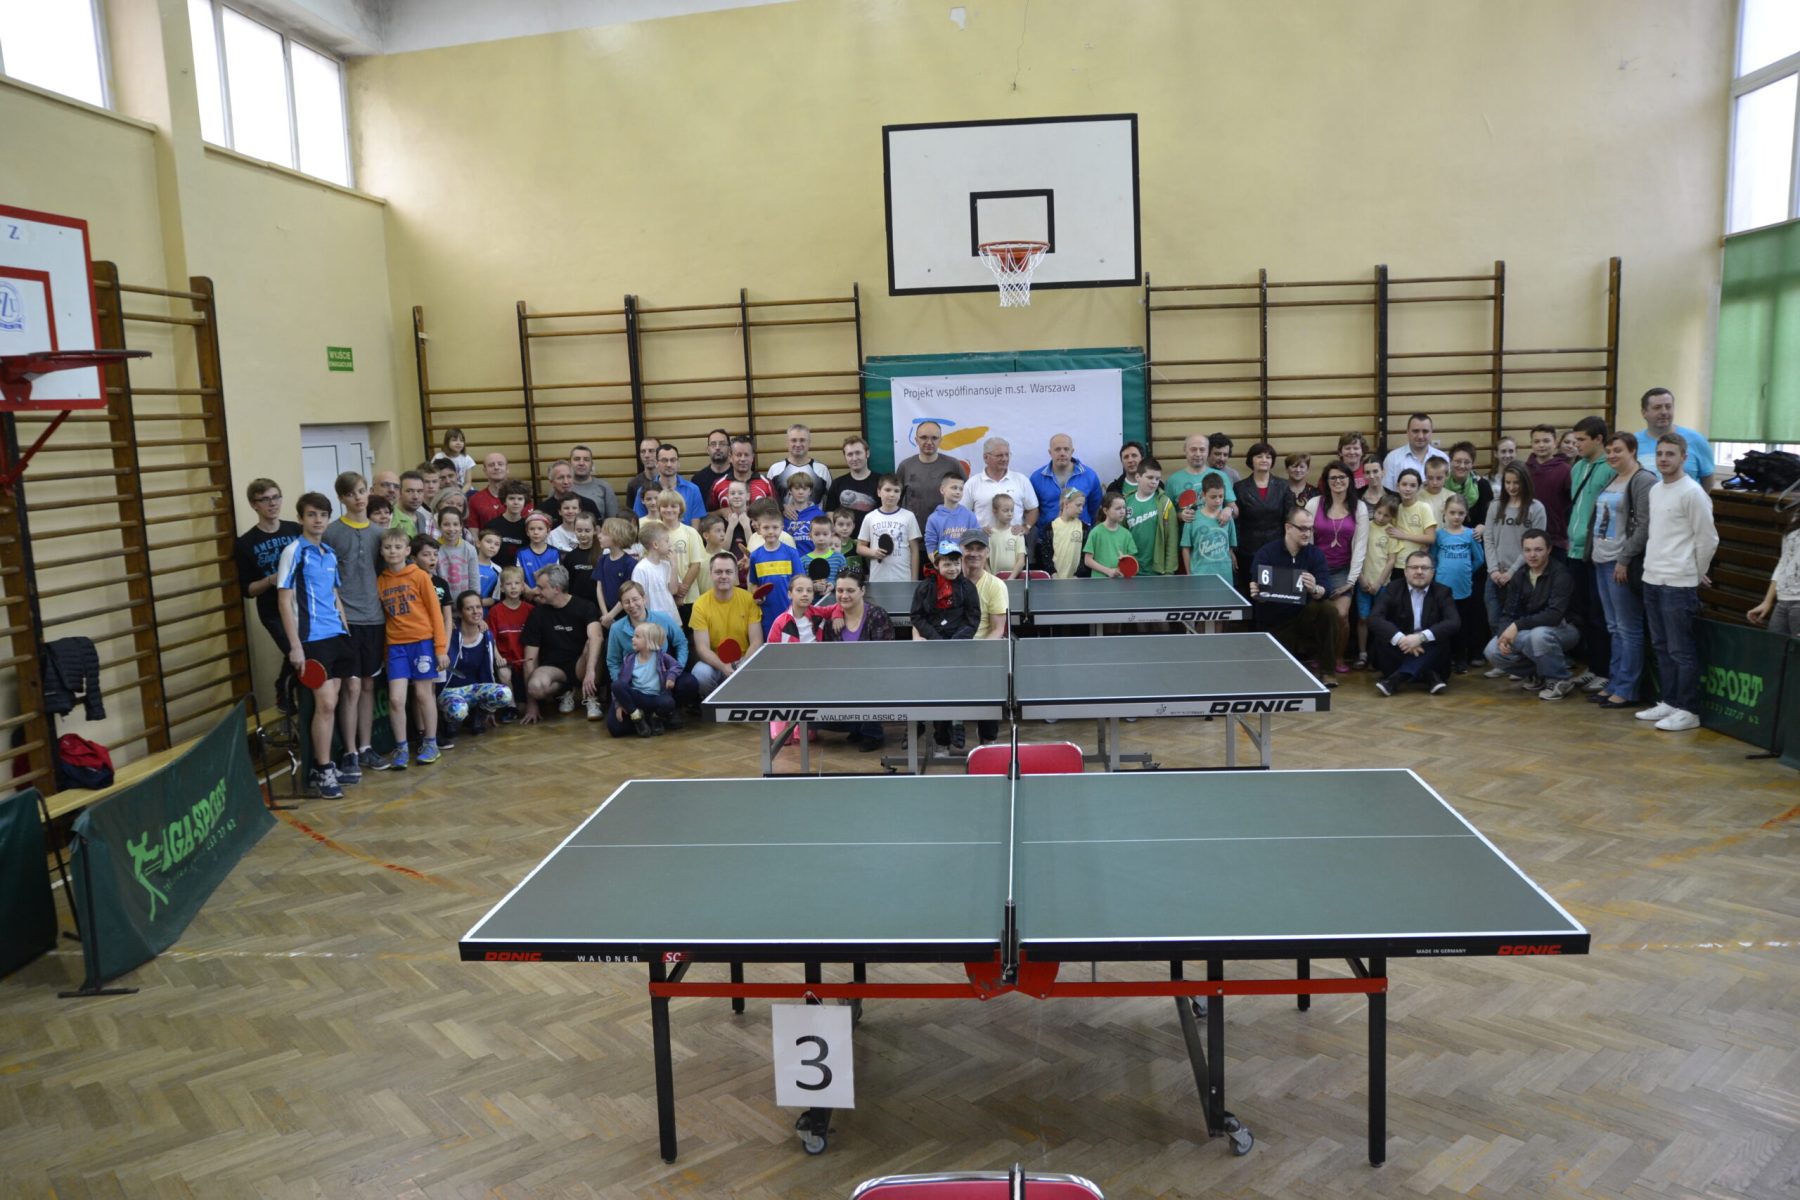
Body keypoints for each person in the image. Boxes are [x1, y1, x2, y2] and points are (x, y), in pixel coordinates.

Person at [1637, 433, 1720, 732]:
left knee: (1680, 649)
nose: (1663, 459)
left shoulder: (1693, 493)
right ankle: (1670, 701)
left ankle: (1688, 709)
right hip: (1652, 577)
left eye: (1670, 454)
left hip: (1678, 583)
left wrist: (1694, 574)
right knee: (1661, 645)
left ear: (1684, 457)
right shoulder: (1656, 490)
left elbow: (1708, 539)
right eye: (1660, 453)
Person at [277, 492, 352, 798]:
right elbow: (284, 601)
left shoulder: (329, 553)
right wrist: (295, 646)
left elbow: (334, 595)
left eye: (323, 515)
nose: (318, 520)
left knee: (333, 702)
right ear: (300, 518)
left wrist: (346, 629)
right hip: (311, 640)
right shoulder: (293, 552)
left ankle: (327, 763)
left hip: (336, 637)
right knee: (326, 704)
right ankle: (322, 769)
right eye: (311, 514)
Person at [321, 471, 385, 784]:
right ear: (342, 498)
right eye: (350, 494)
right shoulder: (332, 533)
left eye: (361, 491)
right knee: (352, 686)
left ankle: (366, 746)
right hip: (346, 620)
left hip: (375, 618)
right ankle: (349, 752)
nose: (358, 498)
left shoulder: (379, 533)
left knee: (369, 685)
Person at [1588, 432, 1656, 710]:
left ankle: (1628, 688)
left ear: (1633, 451)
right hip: (1602, 560)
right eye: (1609, 451)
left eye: (1618, 450)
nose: (1612, 455)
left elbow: (1645, 525)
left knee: (1629, 629)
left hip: (1621, 563)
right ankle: (1615, 682)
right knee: (1614, 627)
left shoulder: (1643, 480)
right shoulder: (1613, 479)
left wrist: (1625, 559)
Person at [374, 528, 447, 769]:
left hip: (422, 643)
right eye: (388, 547)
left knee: (424, 695)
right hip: (396, 647)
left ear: (407, 551)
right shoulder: (381, 581)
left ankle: (431, 743)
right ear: (381, 551)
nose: (392, 551)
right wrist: (385, 652)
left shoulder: (420, 576)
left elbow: (436, 614)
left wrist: (440, 648)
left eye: (398, 547)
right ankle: (401, 747)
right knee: (396, 699)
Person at [1484, 530, 1582, 699]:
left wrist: (1517, 626)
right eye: (1527, 550)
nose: (1532, 555)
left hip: (1564, 629)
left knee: (1538, 636)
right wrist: (1503, 634)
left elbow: (1554, 615)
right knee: (1492, 650)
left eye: (1538, 549)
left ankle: (1559, 679)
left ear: (1549, 550)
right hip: (1531, 629)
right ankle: (1539, 674)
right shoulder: (1520, 575)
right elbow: (1508, 612)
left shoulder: (1561, 574)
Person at [1249, 507, 1341, 683]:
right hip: (1276, 620)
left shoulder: (1315, 554)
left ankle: (1328, 671)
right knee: (1279, 678)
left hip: (1304, 616)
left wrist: (1315, 588)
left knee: (1328, 609)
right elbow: (1257, 587)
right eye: (1302, 528)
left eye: (1310, 529)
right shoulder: (1266, 552)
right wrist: (1256, 593)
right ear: (1288, 528)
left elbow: (1326, 590)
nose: (1307, 534)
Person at [235, 478, 302, 712]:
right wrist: (271, 579)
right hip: (272, 611)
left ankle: (291, 690)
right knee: (295, 651)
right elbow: (247, 590)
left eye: (275, 497)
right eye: (265, 500)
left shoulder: (295, 530)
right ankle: (283, 691)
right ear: (254, 505)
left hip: (299, 605)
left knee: (306, 650)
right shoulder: (246, 543)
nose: (272, 504)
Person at [911, 541, 981, 749]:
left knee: (957, 688)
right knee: (937, 690)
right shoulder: (925, 587)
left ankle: (957, 723)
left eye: (956, 563)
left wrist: (956, 642)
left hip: (959, 647)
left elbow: (973, 619)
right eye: (947, 564)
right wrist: (936, 640)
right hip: (934, 647)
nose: (953, 568)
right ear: (937, 564)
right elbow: (917, 616)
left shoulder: (968, 588)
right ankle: (940, 736)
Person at [815, 570, 895, 751]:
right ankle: (856, 725)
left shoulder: (877, 615)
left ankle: (873, 732)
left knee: (868, 681)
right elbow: (829, 657)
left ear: (862, 591)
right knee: (812, 719)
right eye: (840, 590)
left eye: (850, 590)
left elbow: (883, 657)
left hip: (873, 675)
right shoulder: (831, 622)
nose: (844, 595)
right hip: (844, 677)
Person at [1565, 415, 1617, 683]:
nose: (1577, 445)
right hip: (1574, 551)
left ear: (1598, 439)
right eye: (1575, 440)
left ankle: (1603, 671)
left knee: (1600, 614)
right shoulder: (1576, 467)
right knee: (1582, 613)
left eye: (1582, 440)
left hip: (1596, 553)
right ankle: (1591, 666)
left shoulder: (1609, 468)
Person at [1368, 550, 1461, 696]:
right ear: (1405, 571)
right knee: (1385, 634)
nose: (1419, 571)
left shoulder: (1442, 591)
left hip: (1429, 648)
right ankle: (1428, 675)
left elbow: (1453, 622)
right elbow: (1375, 618)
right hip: (1401, 649)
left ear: (1432, 572)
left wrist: (1420, 638)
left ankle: (1396, 679)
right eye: (1414, 567)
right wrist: (1402, 639)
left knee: (1440, 637)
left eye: (1425, 568)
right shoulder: (1393, 588)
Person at [1303, 461, 1366, 673]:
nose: (1338, 481)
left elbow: (1360, 546)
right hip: (1318, 570)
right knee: (1318, 614)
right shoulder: (1314, 504)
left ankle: (1338, 657)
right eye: (1333, 478)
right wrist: (1308, 571)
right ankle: (1321, 655)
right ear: (1326, 481)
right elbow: (1306, 539)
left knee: (1341, 615)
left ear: (1349, 480)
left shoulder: (1359, 507)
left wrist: (1351, 581)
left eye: (1342, 477)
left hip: (1343, 570)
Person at [518, 564, 602, 723]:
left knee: (593, 644)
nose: (536, 591)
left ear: (556, 589)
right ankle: (567, 690)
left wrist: (590, 671)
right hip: (554, 670)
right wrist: (532, 704)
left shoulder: (585, 606)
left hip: (580, 665)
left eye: (541, 588)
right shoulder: (537, 613)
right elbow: (529, 660)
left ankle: (591, 696)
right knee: (535, 687)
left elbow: (596, 637)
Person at [1481, 463, 1546, 649]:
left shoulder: (1536, 508)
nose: (1511, 487)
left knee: (1517, 621)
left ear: (1525, 482)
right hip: (1495, 574)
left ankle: (1519, 659)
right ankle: (1500, 657)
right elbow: (1489, 539)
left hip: (1522, 574)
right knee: (1494, 619)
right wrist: (1493, 570)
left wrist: (1511, 572)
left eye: (1516, 482)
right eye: (1508, 482)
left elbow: (1535, 546)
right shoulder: (1495, 506)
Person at [685, 552, 764, 702]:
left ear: (736, 575)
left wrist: (742, 665)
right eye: (718, 572)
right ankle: (716, 704)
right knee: (700, 673)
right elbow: (702, 648)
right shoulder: (700, 604)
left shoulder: (749, 600)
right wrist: (723, 667)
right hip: (716, 663)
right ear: (710, 574)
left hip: (744, 661)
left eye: (728, 572)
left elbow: (756, 641)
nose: (723, 576)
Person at [440, 591, 514, 738]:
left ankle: (478, 716)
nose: (475, 612)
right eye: (469, 608)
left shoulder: (486, 635)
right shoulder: (450, 633)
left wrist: (490, 709)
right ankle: (449, 721)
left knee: (505, 694)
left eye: (478, 607)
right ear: (460, 612)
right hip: (449, 691)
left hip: (474, 689)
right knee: (458, 710)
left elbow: (488, 671)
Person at [1430, 494, 1486, 671]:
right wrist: (1438, 574)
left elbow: (1479, 559)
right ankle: (1445, 658)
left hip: (1463, 588)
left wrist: (1467, 571)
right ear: (1445, 513)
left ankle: (1461, 659)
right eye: (1452, 512)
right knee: (1443, 624)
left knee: (1461, 624)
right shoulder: (1439, 535)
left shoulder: (1470, 534)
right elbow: (1433, 558)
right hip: (1442, 588)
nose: (1456, 517)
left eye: (1460, 513)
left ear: (1466, 514)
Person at [961, 533, 1008, 745]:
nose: (974, 554)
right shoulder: (949, 581)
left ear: (987, 553)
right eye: (969, 548)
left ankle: (988, 740)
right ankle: (943, 740)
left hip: (983, 649)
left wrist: (977, 651)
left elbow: (998, 629)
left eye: (979, 549)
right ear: (961, 550)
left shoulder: (996, 586)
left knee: (988, 683)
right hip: (952, 649)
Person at [1633, 387, 1717, 489]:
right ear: (1644, 413)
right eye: (1657, 407)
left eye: (1668, 407)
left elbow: (1708, 480)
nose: (1664, 412)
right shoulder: (1632, 443)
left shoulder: (1696, 440)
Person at [610, 622, 682, 737]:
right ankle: (636, 716)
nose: (632, 639)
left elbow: (676, 666)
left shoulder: (662, 657)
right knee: (616, 685)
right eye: (634, 636)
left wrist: (671, 677)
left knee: (669, 702)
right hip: (637, 697)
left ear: (650, 641)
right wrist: (619, 704)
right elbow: (621, 681)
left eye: (637, 637)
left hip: (655, 697)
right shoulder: (629, 659)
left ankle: (656, 718)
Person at [1354, 496, 1402, 669]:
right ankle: (1362, 654)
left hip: (1382, 584)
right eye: (1379, 512)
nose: (1381, 518)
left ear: (1393, 517)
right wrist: (1361, 578)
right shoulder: (1364, 527)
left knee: (1380, 620)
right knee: (1363, 618)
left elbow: (1391, 560)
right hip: (1363, 582)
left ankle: (1376, 655)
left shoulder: (1391, 532)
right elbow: (1356, 553)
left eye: (1386, 515)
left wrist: (1379, 583)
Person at [1232, 442, 1292, 576]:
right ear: (1251, 460)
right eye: (1259, 456)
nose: (1264, 460)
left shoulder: (1284, 486)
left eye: (1268, 457)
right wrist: (1233, 549)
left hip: (1277, 548)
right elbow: (1236, 522)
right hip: (1247, 551)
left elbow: (1289, 519)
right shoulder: (1239, 487)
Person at [897, 420, 968, 533]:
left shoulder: (953, 465)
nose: (929, 442)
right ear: (916, 440)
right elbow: (896, 500)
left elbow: (967, 497)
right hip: (913, 534)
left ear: (940, 440)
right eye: (924, 437)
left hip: (946, 533)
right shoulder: (905, 466)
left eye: (934, 438)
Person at [1028, 433, 1105, 534]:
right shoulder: (1037, 478)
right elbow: (1033, 509)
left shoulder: (1089, 476)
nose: (1062, 453)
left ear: (1072, 451)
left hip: (1080, 537)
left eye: (1066, 449)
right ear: (1050, 452)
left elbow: (1095, 509)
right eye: (1057, 449)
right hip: (1047, 538)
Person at [748, 507, 806, 634]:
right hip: (766, 614)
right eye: (766, 527)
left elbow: (801, 582)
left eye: (775, 527)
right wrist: (757, 595)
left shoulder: (792, 553)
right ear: (759, 529)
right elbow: (754, 584)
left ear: (782, 528)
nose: (770, 531)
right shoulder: (755, 556)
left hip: (790, 611)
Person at [963, 436, 1038, 532]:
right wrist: (977, 531)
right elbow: (962, 513)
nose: (1005, 459)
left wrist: (1026, 527)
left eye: (1007, 455)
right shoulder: (972, 483)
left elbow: (1033, 509)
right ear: (986, 457)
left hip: (1014, 539)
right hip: (983, 540)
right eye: (999, 455)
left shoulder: (1021, 480)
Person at [857, 474, 921, 582]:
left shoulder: (909, 516)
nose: (892, 494)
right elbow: (860, 547)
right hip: (878, 579)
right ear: (879, 492)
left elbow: (914, 551)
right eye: (887, 490)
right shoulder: (870, 517)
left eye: (896, 491)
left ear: (900, 494)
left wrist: (914, 580)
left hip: (903, 578)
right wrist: (873, 553)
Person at [1747, 511, 1800, 637]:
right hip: (1783, 600)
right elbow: (1784, 562)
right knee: (1773, 645)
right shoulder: (1796, 517)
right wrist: (1767, 601)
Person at [1123, 458, 1180, 575]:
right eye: (1150, 477)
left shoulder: (1165, 503)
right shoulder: (1125, 502)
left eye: (1157, 479)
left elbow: (1172, 539)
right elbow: (1119, 535)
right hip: (1132, 569)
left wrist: (1169, 571)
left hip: (1157, 571)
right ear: (1138, 477)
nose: (1154, 482)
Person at [1524, 424, 1573, 556]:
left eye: (1546, 441)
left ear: (1555, 443)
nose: (1541, 445)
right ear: (1531, 444)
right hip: (1527, 537)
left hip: (1556, 539)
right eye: (1537, 441)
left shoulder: (1566, 470)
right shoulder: (1524, 470)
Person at [1182, 476, 1238, 583]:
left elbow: (1230, 547)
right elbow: (1186, 548)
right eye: (1213, 497)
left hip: (1225, 575)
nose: (1218, 500)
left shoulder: (1228, 518)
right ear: (1203, 495)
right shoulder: (1192, 518)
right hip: (1200, 574)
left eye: (1221, 496)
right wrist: (1189, 573)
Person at [634, 443, 706, 522]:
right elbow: (640, 522)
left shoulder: (693, 490)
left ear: (678, 463)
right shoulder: (644, 491)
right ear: (656, 463)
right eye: (664, 460)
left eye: (673, 460)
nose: (669, 464)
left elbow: (695, 525)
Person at [1380, 412, 1450, 490]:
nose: (1420, 436)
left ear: (1431, 432)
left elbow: (1447, 489)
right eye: (1415, 431)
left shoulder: (1443, 457)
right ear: (1407, 432)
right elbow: (1387, 491)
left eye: (1425, 431)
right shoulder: (1392, 458)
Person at [631, 519, 681, 621]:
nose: (670, 544)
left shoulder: (667, 565)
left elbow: (674, 590)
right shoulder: (641, 569)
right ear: (655, 545)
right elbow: (638, 597)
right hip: (652, 621)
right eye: (667, 541)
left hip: (672, 618)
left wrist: (674, 565)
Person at [709, 435, 776, 510]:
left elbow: (776, 513)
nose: (743, 459)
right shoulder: (718, 485)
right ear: (730, 457)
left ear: (752, 457)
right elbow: (708, 514)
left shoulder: (766, 484)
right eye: (739, 455)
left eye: (746, 455)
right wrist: (721, 512)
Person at [764, 422, 834, 495]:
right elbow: (768, 499)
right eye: (793, 440)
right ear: (787, 443)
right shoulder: (775, 470)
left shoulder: (822, 470)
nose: (798, 444)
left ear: (809, 443)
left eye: (802, 440)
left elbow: (832, 498)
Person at [1039, 486, 1091, 579]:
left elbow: (1085, 556)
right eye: (1078, 505)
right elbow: (1046, 554)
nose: (1081, 509)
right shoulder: (1051, 527)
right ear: (1066, 504)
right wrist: (1053, 574)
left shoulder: (1084, 528)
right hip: (1055, 579)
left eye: (1083, 506)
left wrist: (1077, 575)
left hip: (1075, 580)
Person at [825, 434, 880, 519]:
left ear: (867, 453)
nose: (854, 458)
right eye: (850, 454)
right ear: (845, 457)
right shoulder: (837, 484)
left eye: (858, 453)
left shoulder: (881, 482)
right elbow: (830, 512)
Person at [1083, 493, 1137, 578]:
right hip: (1099, 582)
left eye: (1124, 507)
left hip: (1120, 582)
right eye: (1118, 508)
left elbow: (1132, 559)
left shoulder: (1126, 534)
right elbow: (1088, 560)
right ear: (1105, 511)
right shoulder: (1095, 532)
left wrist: (1126, 560)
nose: (1122, 511)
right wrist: (1108, 571)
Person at [1443, 442, 1494, 534]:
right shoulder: (1442, 484)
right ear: (1450, 462)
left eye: (1467, 462)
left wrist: (1482, 527)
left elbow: (1488, 518)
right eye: (1458, 461)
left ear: (1472, 464)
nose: (1462, 466)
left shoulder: (1483, 485)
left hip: (1474, 537)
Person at [924, 472, 981, 551]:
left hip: (967, 559)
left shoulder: (970, 516)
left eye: (961, 489)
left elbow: (977, 541)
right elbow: (931, 548)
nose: (958, 492)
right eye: (954, 488)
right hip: (943, 559)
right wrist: (940, 559)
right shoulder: (933, 519)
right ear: (942, 490)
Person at [467, 453, 523, 530]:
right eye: (491, 465)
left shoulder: (521, 497)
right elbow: (473, 530)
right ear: (485, 470)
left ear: (507, 469)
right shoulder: (475, 499)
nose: (496, 467)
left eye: (500, 464)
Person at [434, 505, 479, 599]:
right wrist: (443, 603)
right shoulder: (433, 549)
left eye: (455, 524)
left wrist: (474, 599)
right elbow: (434, 580)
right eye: (446, 524)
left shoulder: (470, 549)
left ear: (461, 526)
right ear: (439, 526)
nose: (451, 529)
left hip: (465, 603)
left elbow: (474, 580)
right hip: (443, 602)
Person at [562, 445, 620, 518]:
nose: (581, 463)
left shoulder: (605, 487)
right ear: (569, 463)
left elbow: (613, 520)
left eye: (586, 460)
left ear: (591, 464)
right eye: (577, 459)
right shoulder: (561, 486)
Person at [484, 480, 533, 564]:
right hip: (497, 570)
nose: (516, 502)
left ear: (525, 501)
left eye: (520, 499)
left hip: (521, 570)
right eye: (511, 498)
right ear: (504, 501)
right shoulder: (492, 525)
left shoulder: (529, 526)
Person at [1391, 468, 1438, 554]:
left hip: (1417, 559)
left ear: (1418, 488)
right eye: (1404, 484)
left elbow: (1431, 538)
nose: (1407, 489)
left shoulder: (1424, 507)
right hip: (1398, 559)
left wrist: (1404, 536)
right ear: (1398, 486)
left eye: (1412, 486)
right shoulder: (1395, 508)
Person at [540, 460, 603, 524]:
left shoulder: (589, 505)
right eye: (560, 478)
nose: (566, 482)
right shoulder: (543, 510)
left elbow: (598, 527)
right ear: (551, 482)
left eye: (569, 477)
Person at [515, 511, 560, 597]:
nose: (536, 532)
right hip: (528, 597)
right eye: (532, 529)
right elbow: (518, 578)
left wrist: (542, 592)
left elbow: (556, 578)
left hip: (548, 598)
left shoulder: (554, 553)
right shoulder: (521, 553)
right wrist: (530, 592)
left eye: (540, 529)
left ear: (548, 531)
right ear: (527, 532)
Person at [780, 472, 825, 553]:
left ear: (810, 491)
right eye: (796, 488)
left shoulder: (819, 515)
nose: (801, 492)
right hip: (789, 559)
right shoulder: (783, 515)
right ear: (790, 491)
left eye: (804, 489)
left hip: (813, 558)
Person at [984, 494, 1027, 578]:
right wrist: (991, 578)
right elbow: (984, 561)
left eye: (1012, 510)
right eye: (1005, 510)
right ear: (994, 511)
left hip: (1014, 578)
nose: (1010, 514)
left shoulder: (1017, 533)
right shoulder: (989, 534)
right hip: (994, 579)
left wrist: (1011, 578)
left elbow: (1021, 561)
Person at [689, 428, 733, 508]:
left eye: (722, 444)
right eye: (713, 444)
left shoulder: (738, 475)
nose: (717, 447)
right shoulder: (697, 479)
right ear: (708, 450)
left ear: (729, 449)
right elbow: (696, 512)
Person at [623, 435, 661, 511]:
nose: (646, 455)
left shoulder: (669, 480)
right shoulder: (633, 484)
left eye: (651, 451)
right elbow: (630, 514)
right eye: (643, 451)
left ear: (660, 454)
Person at [474, 527, 504, 605]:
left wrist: (477, 604)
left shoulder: (498, 570)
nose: (492, 546)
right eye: (488, 542)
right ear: (478, 543)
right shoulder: (468, 564)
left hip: (485, 611)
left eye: (496, 544)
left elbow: (494, 598)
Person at [1418, 460, 1451, 524]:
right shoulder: (1417, 497)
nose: (1434, 482)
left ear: (1447, 476)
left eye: (1439, 478)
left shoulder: (1452, 497)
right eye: (1430, 478)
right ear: (1425, 476)